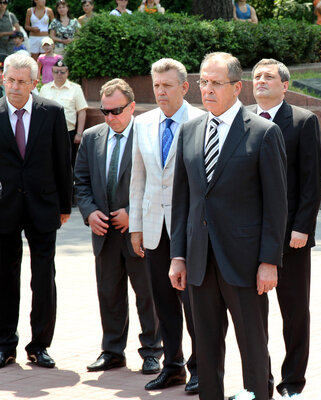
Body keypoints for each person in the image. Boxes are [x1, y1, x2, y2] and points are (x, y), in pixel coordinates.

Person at [168, 52, 287, 400]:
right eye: (203, 82)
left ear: (237, 88)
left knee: (253, 348)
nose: (207, 89)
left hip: (246, 263)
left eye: (215, 83)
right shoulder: (190, 130)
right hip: (200, 261)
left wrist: (269, 261)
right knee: (205, 352)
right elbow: (182, 201)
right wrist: (178, 256)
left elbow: (276, 205)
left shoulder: (264, 132)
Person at [74, 78, 162, 375]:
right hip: (104, 233)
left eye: (117, 110)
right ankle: (112, 351)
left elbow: (158, 183)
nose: (110, 117)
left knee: (147, 294)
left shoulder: (148, 136)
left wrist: (133, 214)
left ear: (133, 107)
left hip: (136, 233)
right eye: (105, 111)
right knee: (109, 294)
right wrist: (89, 212)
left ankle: (152, 352)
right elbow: (81, 182)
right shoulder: (92, 137)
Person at [250, 58, 321, 398]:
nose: (261, 81)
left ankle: (292, 382)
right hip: (250, 235)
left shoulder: (303, 121)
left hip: (291, 236)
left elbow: (312, 180)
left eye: (268, 77)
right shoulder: (242, 119)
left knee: (294, 313)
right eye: (256, 77)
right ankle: (260, 380)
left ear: (285, 85)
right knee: (253, 314)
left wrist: (302, 227)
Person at [129, 58, 204, 394]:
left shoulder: (202, 121)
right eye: (156, 85)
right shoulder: (142, 123)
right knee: (164, 304)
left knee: (196, 304)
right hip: (153, 227)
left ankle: (202, 367)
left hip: (189, 229)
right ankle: (173, 367)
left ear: (184, 87)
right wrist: (136, 226)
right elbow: (138, 179)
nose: (160, 91)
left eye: (167, 86)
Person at [0, 53, 71, 370]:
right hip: (3, 208)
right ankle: (4, 344)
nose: (15, 87)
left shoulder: (52, 112)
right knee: (4, 277)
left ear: (33, 83)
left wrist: (66, 206)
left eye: (21, 81)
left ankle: (40, 345)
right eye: (10, 80)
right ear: (3, 78)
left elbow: (62, 160)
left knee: (44, 278)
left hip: (43, 206)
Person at [39, 59, 87, 169]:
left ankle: (68, 185)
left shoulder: (75, 89)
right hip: (48, 132)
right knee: (48, 161)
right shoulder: (45, 89)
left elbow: (82, 111)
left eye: (62, 72)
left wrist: (79, 134)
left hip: (68, 132)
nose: (59, 74)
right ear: (52, 72)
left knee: (67, 162)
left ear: (67, 73)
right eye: (56, 72)